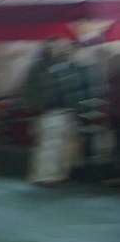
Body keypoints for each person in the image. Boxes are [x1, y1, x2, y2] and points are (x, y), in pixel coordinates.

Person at [24, 36, 88, 184]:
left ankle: (59, 175)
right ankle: (44, 176)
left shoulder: (68, 68)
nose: (61, 50)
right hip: (50, 112)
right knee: (49, 146)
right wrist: (38, 106)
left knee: (65, 146)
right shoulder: (41, 68)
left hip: (66, 111)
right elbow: (31, 90)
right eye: (57, 47)